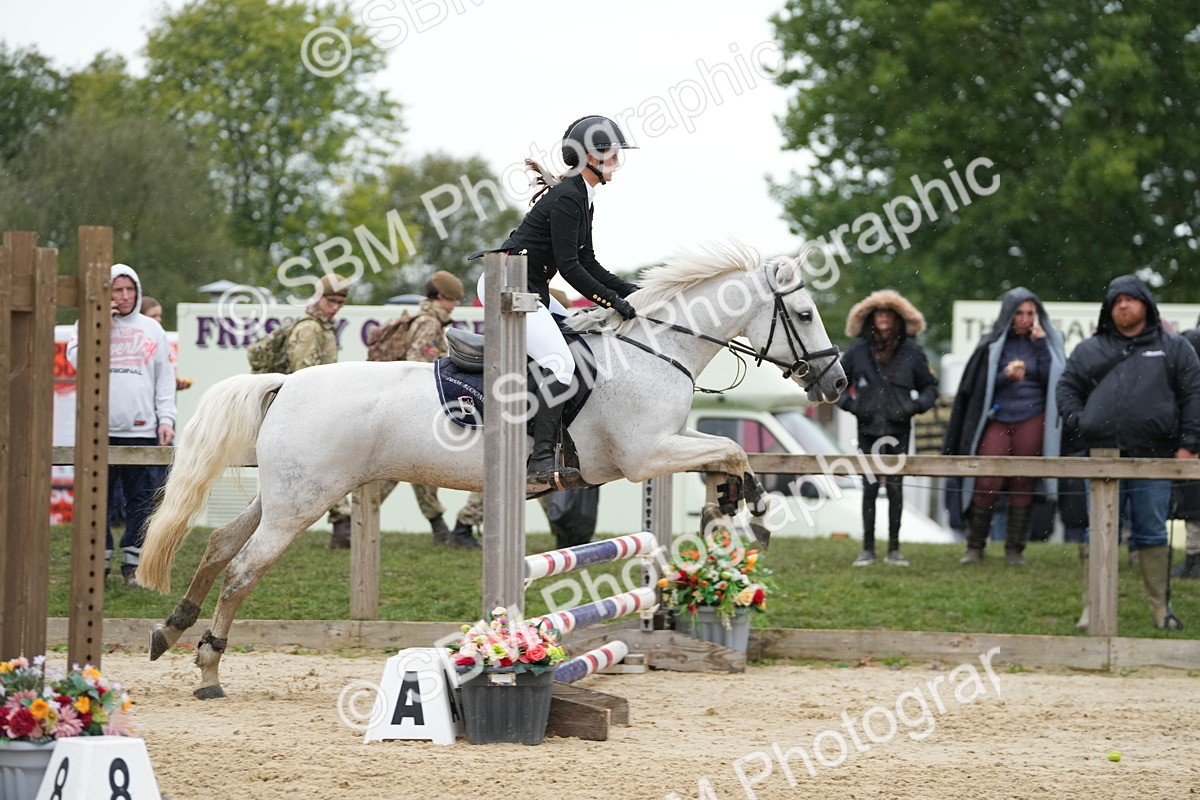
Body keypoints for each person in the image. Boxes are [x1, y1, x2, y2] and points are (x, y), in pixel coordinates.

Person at [472, 114, 639, 491]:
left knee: (579, 347)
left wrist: (632, 292)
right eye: (612, 155)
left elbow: (589, 261)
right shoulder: (568, 197)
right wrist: (611, 301)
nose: (618, 162)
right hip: (510, 288)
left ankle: (558, 438)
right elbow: (569, 268)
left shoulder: (582, 196)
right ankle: (541, 458)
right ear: (591, 157)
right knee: (561, 365)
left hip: (531, 289)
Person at [1057, 275, 1200, 630]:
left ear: (1146, 305)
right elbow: (1066, 388)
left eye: (1131, 299)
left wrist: (1189, 444)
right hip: (1102, 455)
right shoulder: (1089, 350)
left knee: (1151, 531)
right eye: (1117, 300)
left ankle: (1160, 611)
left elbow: (1194, 395)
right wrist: (1081, 421)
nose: (1124, 305)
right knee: (1098, 532)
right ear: (1109, 308)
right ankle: (1092, 610)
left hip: (1155, 457)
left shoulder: (1175, 348)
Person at [67, 264, 176, 586]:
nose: (125, 296)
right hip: (97, 431)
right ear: (107, 292)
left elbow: (164, 379)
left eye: (130, 290)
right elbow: (76, 360)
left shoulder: (152, 329)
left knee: (141, 500)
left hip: (142, 431)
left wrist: (166, 419)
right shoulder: (87, 324)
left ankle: (133, 566)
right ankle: (97, 561)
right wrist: (100, 323)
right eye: (118, 290)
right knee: (94, 499)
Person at [944, 288, 1066, 566]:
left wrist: (1041, 346)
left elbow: (1056, 383)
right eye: (1019, 313)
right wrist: (1005, 376)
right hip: (998, 416)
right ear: (1009, 315)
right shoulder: (993, 343)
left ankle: (1014, 550)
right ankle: (975, 546)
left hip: (1033, 415)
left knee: (1022, 481)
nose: (1024, 318)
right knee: (987, 479)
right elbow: (979, 386)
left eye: (1030, 313)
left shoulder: (1050, 342)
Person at [374, 271, 483, 549]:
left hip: (403, 404)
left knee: (404, 468)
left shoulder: (427, 319)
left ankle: (438, 529)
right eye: (452, 299)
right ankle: (351, 522)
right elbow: (418, 362)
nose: (455, 304)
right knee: (397, 469)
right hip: (413, 405)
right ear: (440, 297)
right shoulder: (428, 323)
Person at [836, 290, 938, 567]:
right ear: (870, 318)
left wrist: (912, 407)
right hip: (867, 428)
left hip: (899, 429)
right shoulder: (857, 351)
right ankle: (867, 549)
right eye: (878, 313)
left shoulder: (913, 353)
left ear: (897, 319)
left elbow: (930, 388)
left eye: (888, 313)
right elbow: (837, 387)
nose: (882, 317)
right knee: (869, 487)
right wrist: (855, 407)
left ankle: (894, 548)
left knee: (895, 487)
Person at [283, 274, 355, 548]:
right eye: (331, 300)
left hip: (319, 408)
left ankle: (343, 530)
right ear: (318, 297)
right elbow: (303, 374)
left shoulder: (323, 327)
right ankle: (343, 529)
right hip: (308, 410)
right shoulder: (310, 328)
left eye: (340, 302)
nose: (335, 307)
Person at [1173, 312, 1200, 579]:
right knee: (1193, 504)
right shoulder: (1190, 341)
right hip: (1193, 438)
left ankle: (1194, 560)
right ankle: (1193, 560)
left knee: (1194, 504)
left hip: (1192, 436)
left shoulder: (1188, 341)